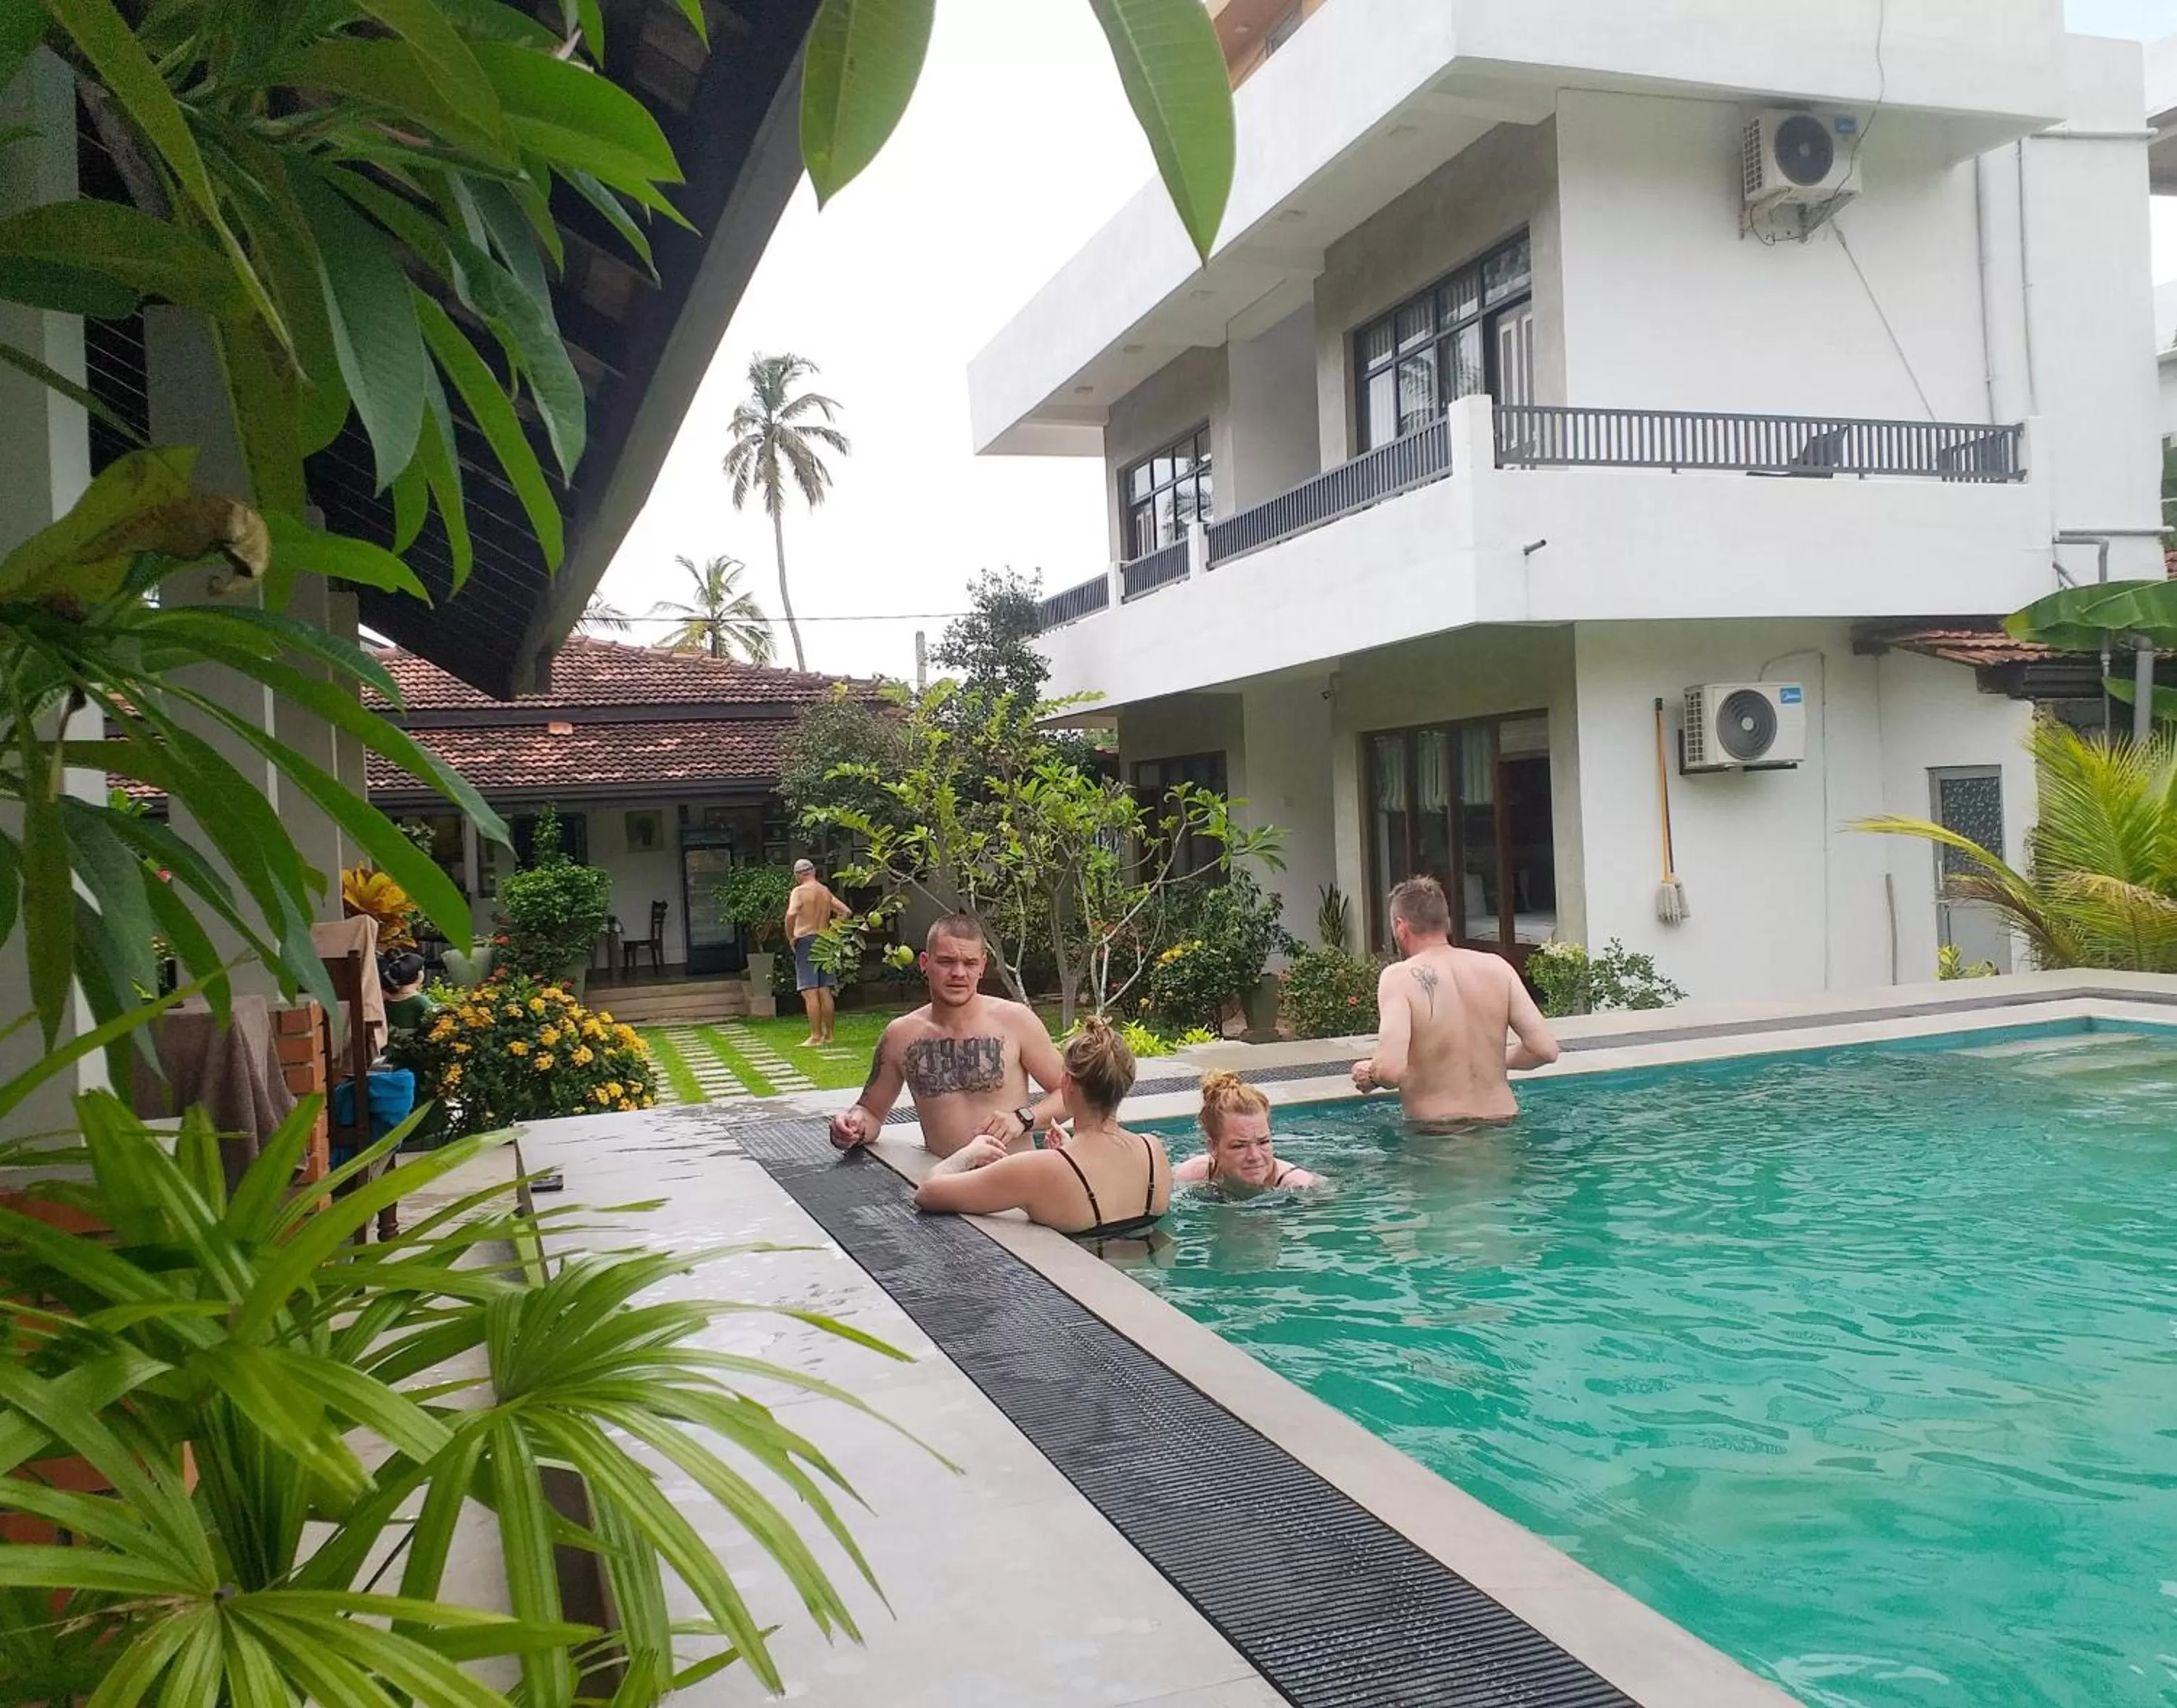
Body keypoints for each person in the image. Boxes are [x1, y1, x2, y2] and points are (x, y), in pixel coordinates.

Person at [829, 914, 1068, 1158]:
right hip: (946, 1182)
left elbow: (1074, 1095)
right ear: (925, 962)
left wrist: (1023, 1118)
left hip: (1014, 1177)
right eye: (946, 962)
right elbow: (871, 1111)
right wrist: (852, 1127)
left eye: (970, 963)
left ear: (983, 966)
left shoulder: (1016, 1021)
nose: (958, 973)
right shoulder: (900, 1036)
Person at [914, 1017, 1171, 1237]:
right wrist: (1070, 1152)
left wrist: (967, 1154)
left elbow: (928, 1194)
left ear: (1068, 1083)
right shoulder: (1153, 1151)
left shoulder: (1038, 1168)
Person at [1350, 876, 1560, 1127]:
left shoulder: (1399, 978)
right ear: (1446, 923)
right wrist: (1489, 1058)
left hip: (1438, 1131)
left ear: (1400, 926)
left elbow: (1390, 1072)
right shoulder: (1497, 967)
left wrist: (1371, 1074)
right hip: (1503, 1124)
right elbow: (1545, 1049)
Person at [1175, 1070, 1322, 1194]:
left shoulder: (1301, 1188)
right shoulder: (1192, 1176)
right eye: (1239, 1146)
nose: (1255, 1156)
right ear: (1213, 1148)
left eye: (1263, 1142)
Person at [784, 858, 851, 1046]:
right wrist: (833, 932)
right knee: (824, 989)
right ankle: (829, 1036)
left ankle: (815, 1036)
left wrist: (791, 936)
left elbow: (791, 913)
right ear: (813, 871)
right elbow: (845, 912)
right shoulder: (824, 891)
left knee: (810, 991)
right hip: (824, 939)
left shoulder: (799, 892)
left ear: (798, 875)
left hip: (805, 940)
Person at [379, 951, 433, 1033]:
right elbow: (437, 1018)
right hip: (413, 1043)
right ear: (419, 975)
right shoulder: (420, 1001)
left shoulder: (386, 1000)